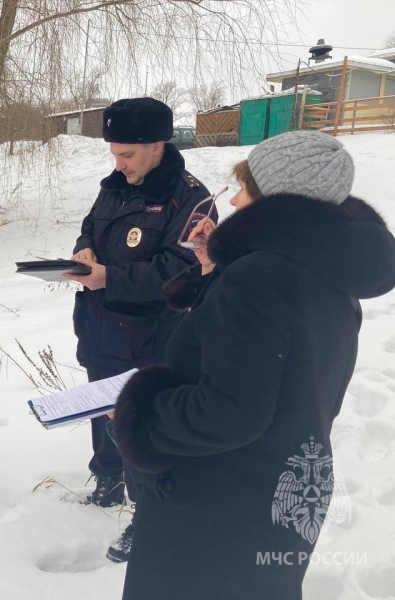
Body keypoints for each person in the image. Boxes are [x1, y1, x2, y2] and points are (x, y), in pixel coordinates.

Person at [113, 130, 395, 599]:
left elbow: (226, 413)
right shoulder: (329, 270)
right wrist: (215, 270)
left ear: (277, 200)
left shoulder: (259, 278)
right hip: (284, 488)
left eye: (248, 187)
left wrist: (139, 416)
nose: (237, 200)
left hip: (219, 503)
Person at [65, 97, 213, 563]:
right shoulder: (114, 185)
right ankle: (107, 480)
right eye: (113, 152)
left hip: (153, 337)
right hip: (101, 325)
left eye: (126, 154)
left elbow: (178, 270)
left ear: (156, 146)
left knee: (144, 424)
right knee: (101, 407)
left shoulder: (191, 198)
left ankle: (147, 514)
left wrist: (111, 277)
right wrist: (85, 251)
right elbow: (90, 227)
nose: (118, 163)